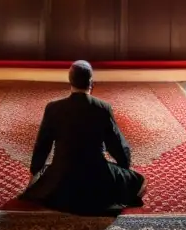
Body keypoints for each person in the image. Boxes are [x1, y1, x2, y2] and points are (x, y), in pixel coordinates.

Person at [21, 60, 146, 215]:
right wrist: (123, 167)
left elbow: (42, 144)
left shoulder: (53, 108)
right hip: (96, 175)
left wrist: (35, 172)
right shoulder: (102, 107)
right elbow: (117, 144)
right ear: (91, 82)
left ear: (70, 81)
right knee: (139, 181)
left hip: (62, 177)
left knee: (42, 181)